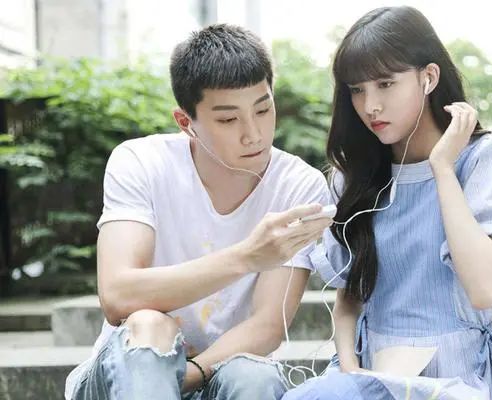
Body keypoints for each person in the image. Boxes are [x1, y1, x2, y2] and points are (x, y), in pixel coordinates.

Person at [285, 6, 492, 400]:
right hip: (369, 375)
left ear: (429, 77)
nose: (370, 105)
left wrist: (443, 168)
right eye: (357, 90)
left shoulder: (487, 158)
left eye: (385, 84)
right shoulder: (355, 177)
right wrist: (353, 374)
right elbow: (350, 297)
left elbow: (484, 289)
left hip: (459, 380)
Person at [64, 23, 333, 400]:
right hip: (124, 378)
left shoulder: (298, 186)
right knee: (149, 325)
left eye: (263, 109)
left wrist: (186, 376)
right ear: (186, 122)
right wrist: (246, 257)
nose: (254, 133)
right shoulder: (141, 162)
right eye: (228, 119)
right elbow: (118, 296)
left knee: (254, 376)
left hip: (214, 374)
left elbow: (269, 326)